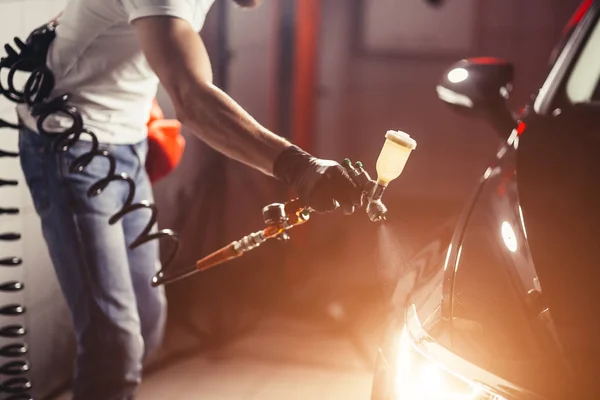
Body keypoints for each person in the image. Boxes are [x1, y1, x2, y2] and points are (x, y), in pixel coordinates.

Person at [13, 0, 363, 399]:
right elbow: (192, 98)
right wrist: (298, 167)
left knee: (146, 321)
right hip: (68, 143)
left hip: (125, 142)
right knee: (114, 343)